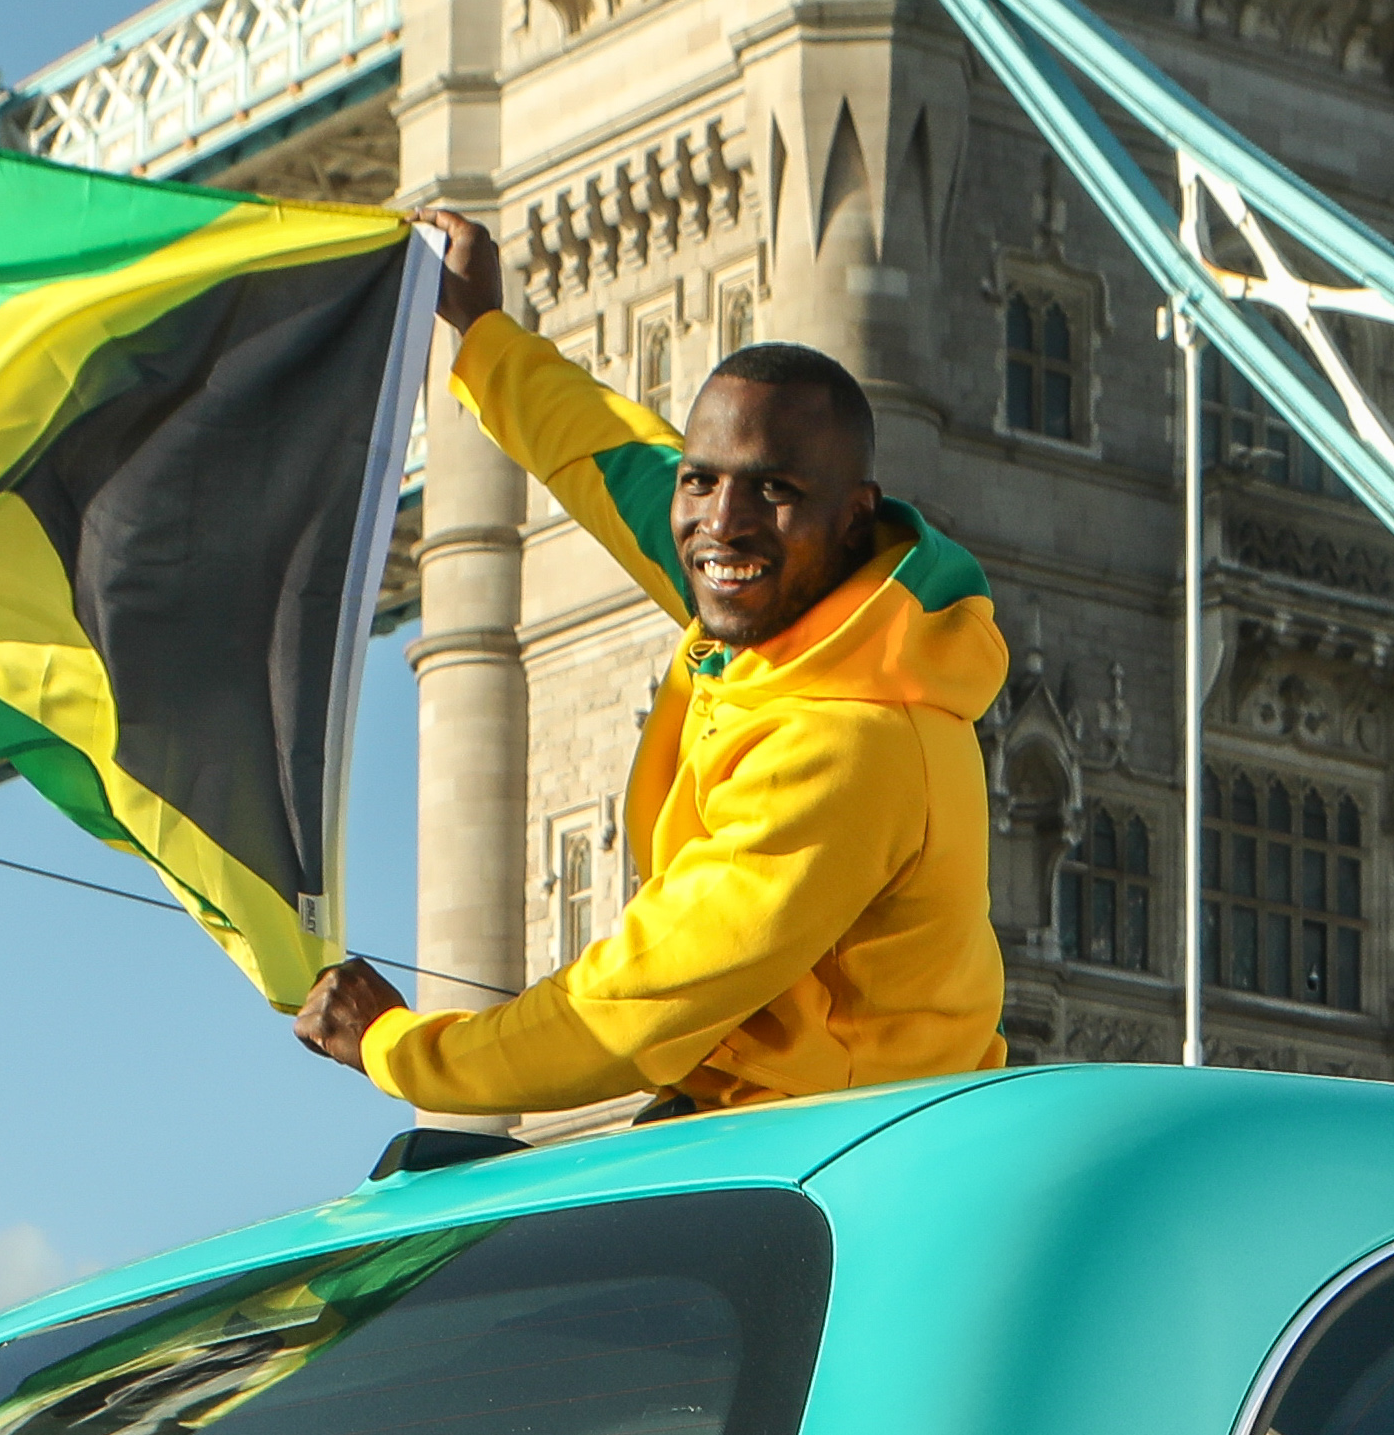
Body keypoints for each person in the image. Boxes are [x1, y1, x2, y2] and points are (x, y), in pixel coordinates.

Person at [293, 214, 1003, 1123]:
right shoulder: (789, 607)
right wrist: (484, 336)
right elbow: (615, 461)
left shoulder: (848, 744)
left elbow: (630, 1008)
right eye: (702, 480)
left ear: (855, 517)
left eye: (774, 490)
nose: (723, 522)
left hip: (847, 1163)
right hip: (748, 1124)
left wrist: (400, 1048)